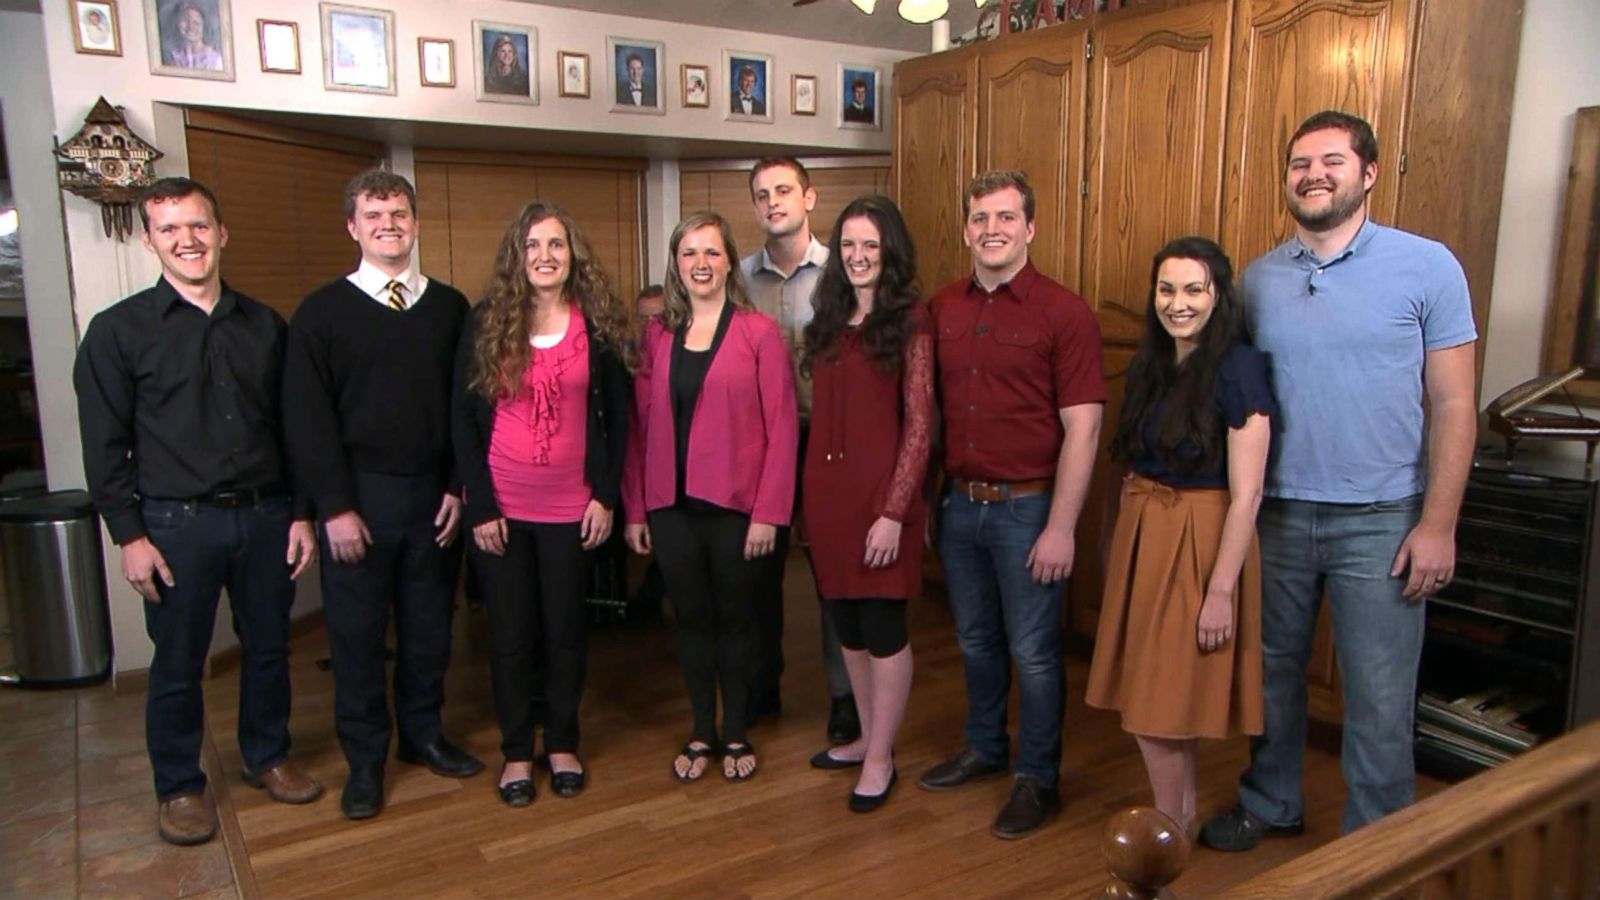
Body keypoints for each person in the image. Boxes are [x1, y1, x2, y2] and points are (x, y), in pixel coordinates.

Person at [1200, 110, 1478, 848]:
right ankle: (1270, 801)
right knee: (1272, 678)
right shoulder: (1257, 281)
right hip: (1278, 515)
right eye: (1298, 163)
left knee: (1381, 700)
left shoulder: (1428, 267)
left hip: (1383, 520)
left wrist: (1438, 524)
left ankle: (1376, 846)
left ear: (1369, 173)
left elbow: (1454, 405)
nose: (1313, 174)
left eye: (1330, 160)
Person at [74, 177, 322, 847]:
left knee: (268, 649)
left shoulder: (266, 326)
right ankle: (180, 786)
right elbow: (103, 445)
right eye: (171, 228)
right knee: (178, 661)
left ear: (222, 233)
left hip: (267, 516)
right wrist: (129, 535)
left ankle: (267, 754)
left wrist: (301, 513)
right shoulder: (117, 332)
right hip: (174, 525)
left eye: (199, 225)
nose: (188, 239)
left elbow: (293, 429)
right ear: (150, 239)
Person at [284, 170, 481, 822]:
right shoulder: (320, 314)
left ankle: (423, 734)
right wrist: (333, 507)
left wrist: (459, 486)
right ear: (353, 225)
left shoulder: (452, 309)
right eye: (374, 215)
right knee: (357, 637)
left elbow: (467, 408)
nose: (388, 224)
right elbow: (308, 420)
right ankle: (366, 759)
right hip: (357, 505)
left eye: (398, 213)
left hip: (433, 499)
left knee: (429, 629)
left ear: (415, 221)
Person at [918, 169, 1104, 840]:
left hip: (1029, 508)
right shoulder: (942, 308)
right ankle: (985, 747)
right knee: (973, 640)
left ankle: (1037, 779)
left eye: (1004, 217)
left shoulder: (1064, 312)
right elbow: (926, 414)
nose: (991, 229)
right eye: (979, 218)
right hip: (960, 504)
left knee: (1034, 652)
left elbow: (1083, 426)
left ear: (1029, 227)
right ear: (966, 228)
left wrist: (1062, 527)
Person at [1084, 236, 1272, 835]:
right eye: (1167, 289)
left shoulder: (1241, 367)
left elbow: (1248, 494)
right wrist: (1118, 540)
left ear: (1218, 294)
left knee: (1158, 702)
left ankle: (1169, 824)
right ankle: (1180, 815)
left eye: (1193, 289)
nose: (1178, 302)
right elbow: (1131, 463)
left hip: (1202, 538)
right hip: (1147, 533)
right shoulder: (1149, 363)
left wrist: (1221, 590)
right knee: (1158, 693)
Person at [453, 202, 632, 806]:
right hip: (502, 507)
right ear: (517, 256)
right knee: (510, 635)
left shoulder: (597, 325)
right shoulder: (486, 323)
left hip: (571, 508)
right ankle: (514, 753)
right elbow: (463, 420)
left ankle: (561, 742)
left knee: (564, 632)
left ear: (572, 253)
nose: (545, 256)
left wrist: (606, 495)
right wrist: (479, 504)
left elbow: (619, 421)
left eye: (556, 244)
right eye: (533, 245)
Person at [623, 211, 799, 783]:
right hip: (670, 508)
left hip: (737, 508)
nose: (701, 264)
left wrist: (769, 514)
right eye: (689, 254)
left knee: (737, 621)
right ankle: (702, 728)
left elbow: (782, 428)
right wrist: (635, 508)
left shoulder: (758, 334)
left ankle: (738, 730)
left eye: (712, 252)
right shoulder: (658, 336)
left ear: (729, 262)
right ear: (676, 266)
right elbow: (639, 427)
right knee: (691, 620)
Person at [801, 196, 933, 813]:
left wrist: (894, 511)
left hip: (884, 502)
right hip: (827, 498)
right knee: (847, 627)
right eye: (848, 245)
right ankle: (862, 737)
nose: (857, 257)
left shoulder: (912, 322)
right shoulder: (827, 317)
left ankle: (881, 755)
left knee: (882, 627)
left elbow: (921, 425)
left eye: (870, 246)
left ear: (890, 253)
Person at [740, 157, 858, 745]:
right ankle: (761, 684)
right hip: (758, 444)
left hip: (824, 439)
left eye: (784, 190)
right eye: (762, 194)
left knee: (830, 575)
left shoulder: (843, 273)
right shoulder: (738, 279)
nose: (773, 202)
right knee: (757, 572)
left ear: (809, 197)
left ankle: (845, 695)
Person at [164, 3, 222, 70]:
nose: (191, 26)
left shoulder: (214, 59)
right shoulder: (173, 57)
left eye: (196, 23)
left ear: (204, 27)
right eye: (186, 20)